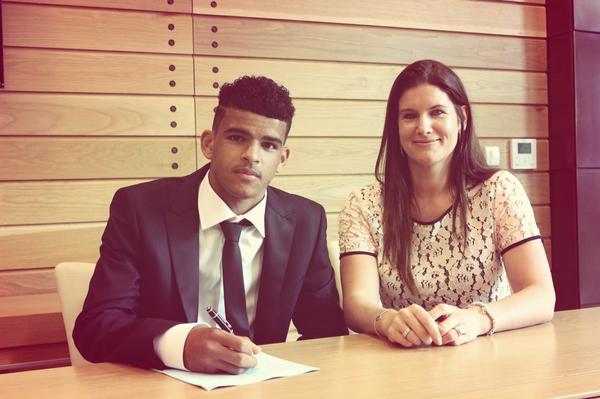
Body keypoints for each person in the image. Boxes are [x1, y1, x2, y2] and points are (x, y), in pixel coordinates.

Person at [74, 75, 347, 373]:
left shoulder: (306, 221)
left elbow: (328, 334)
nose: (252, 156)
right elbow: (95, 329)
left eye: (268, 145)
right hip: (163, 385)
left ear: (282, 159)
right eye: (237, 137)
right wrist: (178, 344)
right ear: (209, 143)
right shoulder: (140, 209)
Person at [338, 60, 555, 348]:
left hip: (490, 355)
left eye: (437, 112)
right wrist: (386, 320)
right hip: (402, 361)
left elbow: (541, 295)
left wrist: (478, 319)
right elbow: (357, 304)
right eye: (409, 116)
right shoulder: (362, 204)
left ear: (462, 118)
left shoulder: (499, 190)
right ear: (395, 126)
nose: (424, 127)